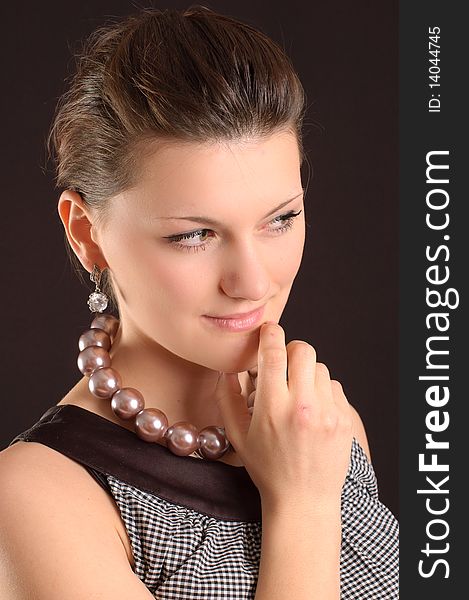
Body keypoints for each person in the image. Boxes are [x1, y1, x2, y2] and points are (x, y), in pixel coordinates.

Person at [0, 5, 398, 599]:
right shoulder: (36, 498)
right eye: (194, 235)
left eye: (281, 218)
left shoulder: (315, 425)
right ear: (86, 232)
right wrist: (303, 506)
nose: (252, 280)